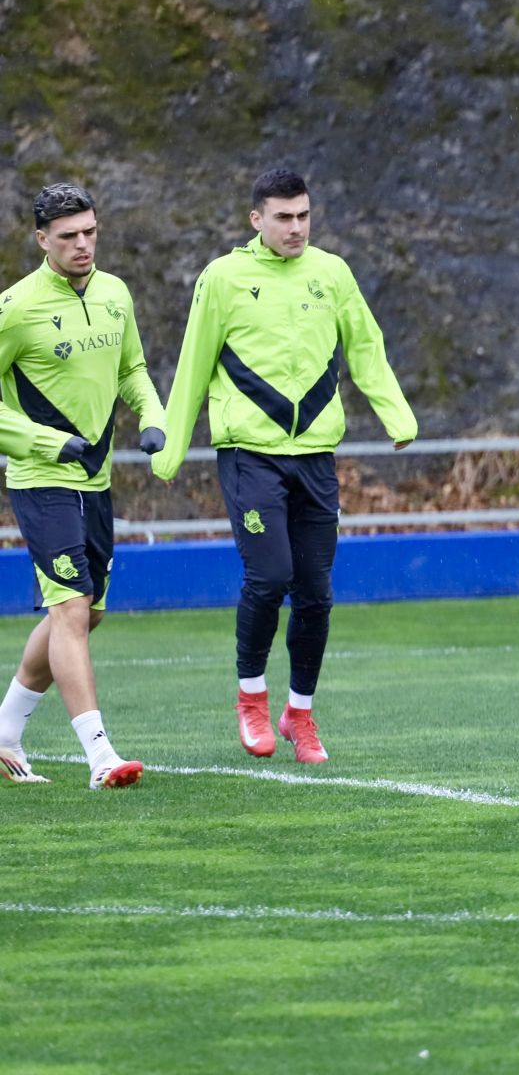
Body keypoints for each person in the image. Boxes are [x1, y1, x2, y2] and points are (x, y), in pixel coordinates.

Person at [152, 168, 417, 764]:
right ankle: (251, 699)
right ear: (257, 219)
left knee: (316, 594)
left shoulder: (333, 273)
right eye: (283, 218)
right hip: (250, 457)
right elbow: (194, 363)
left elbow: (366, 346)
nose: (296, 228)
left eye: (303, 216)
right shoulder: (222, 278)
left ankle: (300, 713)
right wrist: (170, 450)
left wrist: (397, 416)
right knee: (270, 577)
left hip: (315, 459)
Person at [0, 183, 161, 790]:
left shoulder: (115, 292)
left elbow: (132, 369)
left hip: (96, 480)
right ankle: (100, 756)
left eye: (90, 231)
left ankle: (4, 729)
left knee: (85, 614)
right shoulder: (16, 308)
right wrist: (43, 441)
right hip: (41, 478)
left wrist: (152, 416)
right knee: (69, 608)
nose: (83, 244)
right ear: (42, 239)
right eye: (68, 236)